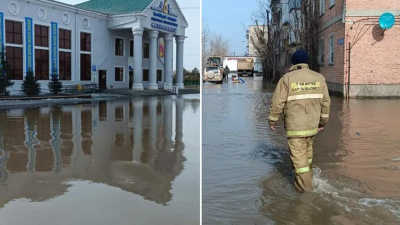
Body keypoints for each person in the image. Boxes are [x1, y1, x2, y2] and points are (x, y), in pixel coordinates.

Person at [268, 49, 331, 192]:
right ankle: (309, 181)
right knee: (307, 156)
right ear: (306, 62)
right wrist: (322, 122)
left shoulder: (287, 78)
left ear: (293, 62)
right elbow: (326, 103)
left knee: (299, 162)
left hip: (295, 128)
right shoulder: (319, 78)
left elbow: (278, 102)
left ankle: (306, 194)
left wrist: (272, 120)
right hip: (312, 127)